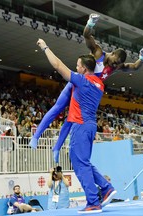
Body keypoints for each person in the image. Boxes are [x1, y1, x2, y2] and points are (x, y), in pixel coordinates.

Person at [29, 13, 143, 162]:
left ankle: (57, 147)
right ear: (111, 54)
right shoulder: (99, 53)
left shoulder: (116, 66)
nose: (113, 65)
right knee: (57, 108)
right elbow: (87, 36)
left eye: (116, 65)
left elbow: (134, 67)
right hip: (78, 83)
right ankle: (35, 136)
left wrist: (142, 59)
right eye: (113, 62)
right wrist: (90, 23)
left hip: (85, 92)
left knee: (70, 120)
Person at [36, 38, 116, 213]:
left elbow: (57, 65)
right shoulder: (99, 83)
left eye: (78, 66)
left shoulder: (82, 80)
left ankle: (93, 202)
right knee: (84, 162)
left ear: (84, 69)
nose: (76, 68)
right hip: (90, 126)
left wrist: (45, 47)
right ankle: (106, 187)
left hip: (80, 125)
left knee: (80, 165)